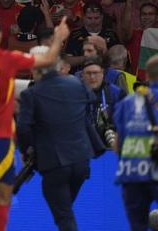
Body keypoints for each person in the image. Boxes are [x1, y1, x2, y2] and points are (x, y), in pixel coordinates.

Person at [0, 12, 70, 231]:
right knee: (2, 199)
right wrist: (59, 37)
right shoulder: (7, 59)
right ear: (0, 35)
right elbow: (47, 60)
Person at [18, 45, 104, 231]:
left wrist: (26, 151)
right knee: (65, 212)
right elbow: (91, 98)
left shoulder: (31, 94)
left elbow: (23, 129)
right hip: (82, 161)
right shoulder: (76, 83)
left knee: (64, 216)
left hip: (54, 164)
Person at [113, 55, 158, 231]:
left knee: (137, 226)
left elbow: (117, 145)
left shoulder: (128, 102)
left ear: (147, 76)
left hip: (132, 174)